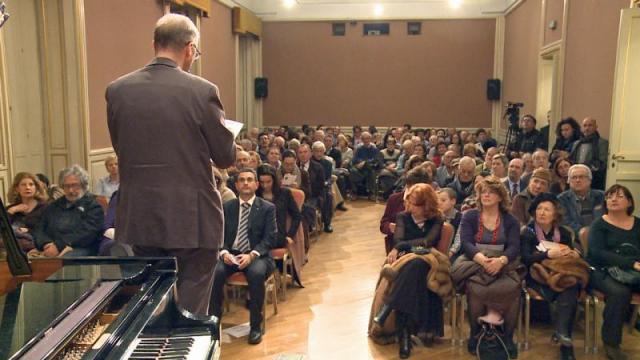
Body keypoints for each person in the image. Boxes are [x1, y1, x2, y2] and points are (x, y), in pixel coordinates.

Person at [106, 14, 236, 315]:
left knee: (151, 301)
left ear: (154, 44)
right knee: (192, 307)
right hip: (192, 217)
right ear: (190, 48)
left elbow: (120, 147)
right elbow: (225, 157)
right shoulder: (203, 91)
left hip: (141, 214)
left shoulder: (117, 90)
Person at [451, 176, 522, 358]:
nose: (486, 195)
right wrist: (483, 260)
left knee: (513, 289)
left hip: (502, 261)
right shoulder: (470, 216)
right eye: (483, 192)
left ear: (500, 197)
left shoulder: (510, 219)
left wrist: (501, 261)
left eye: (491, 192)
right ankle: (476, 335)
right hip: (474, 260)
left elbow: (514, 246)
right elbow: (466, 243)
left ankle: (507, 337)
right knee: (476, 288)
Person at [373, 183, 445, 358]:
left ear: (426, 205)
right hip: (407, 260)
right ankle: (404, 333)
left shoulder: (437, 219)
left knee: (416, 265)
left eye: (415, 204)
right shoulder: (403, 217)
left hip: (428, 259)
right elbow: (397, 240)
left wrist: (404, 245)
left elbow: (429, 241)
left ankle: (391, 311)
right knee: (412, 269)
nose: (410, 207)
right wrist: (403, 246)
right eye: (410, 202)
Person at [211, 168, 276, 345]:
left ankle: (255, 326)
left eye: (249, 180)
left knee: (255, 274)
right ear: (237, 185)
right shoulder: (227, 207)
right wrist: (223, 252)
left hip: (258, 255)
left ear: (256, 184)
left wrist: (252, 254)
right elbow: (219, 235)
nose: (245, 183)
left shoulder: (267, 208)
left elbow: (270, 237)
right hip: (231, 255)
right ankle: (213, 324)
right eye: (241, 180)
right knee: (214, 273)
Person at [520, 193, 585, 360]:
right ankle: (565, 338)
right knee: (566, 288)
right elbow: (525, 258)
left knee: (570, 286)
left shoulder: (563, 232)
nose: (542, 212)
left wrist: (572, 253)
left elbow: (569, 256)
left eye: (547, 209)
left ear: (555, 214)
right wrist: (547, 255)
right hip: (536, 276)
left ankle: (565, 341)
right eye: (539, 209)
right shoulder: (528, 232)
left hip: (560, 274)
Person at [588, 184, 640, 360]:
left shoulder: (638, 223)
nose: (613, 199)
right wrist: (632, 263)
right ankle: (611, 343)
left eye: (618, 196)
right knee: (620, 293)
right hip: (602, 270)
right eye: (609, 196)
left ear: (629, 202)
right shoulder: (599, 224)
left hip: (633, 271)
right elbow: (598, 253)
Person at [33, 165, 104, 257]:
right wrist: (45, 244)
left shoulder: (93, 207)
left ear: (83, 185)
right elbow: (40, 228)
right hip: (51, 246)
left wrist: (59, 246)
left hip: (80, 247)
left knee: (66, 259)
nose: (71, 190)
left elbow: (87, 233)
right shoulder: (54, 206)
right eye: (67, 186)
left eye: (75, 185)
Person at [256, 164, 303, 285]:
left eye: (268, 182)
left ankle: (265, 277)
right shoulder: (255, 194)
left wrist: (290, 235)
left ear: (274, 180)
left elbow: (297, 216)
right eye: (262, 182)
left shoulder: (284, 193)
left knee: (259, 247)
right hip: (257, 234)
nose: (265, 185)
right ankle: (268, 274)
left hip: (277, 235)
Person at [380, 168, 430, 254]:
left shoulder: (429, 201)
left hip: (419, 248)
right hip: (396, 246)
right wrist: (390, 227)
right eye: (409, 186)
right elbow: (383, 224)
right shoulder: (394, 199)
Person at [6, 172, 49, 252]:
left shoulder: (45, 208)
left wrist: (28, 230)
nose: (27, 187)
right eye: (23, 185)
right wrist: (12, 211)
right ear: (17, 188)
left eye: (31, 184)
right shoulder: (11, 208)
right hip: (14, 249)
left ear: (36, 187)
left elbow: (50, 230)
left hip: (38, 247)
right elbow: (3, 228)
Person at [558, 164, 605, 233]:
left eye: (581, 177)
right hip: (575, 238)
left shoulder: (602, 196)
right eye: (574, 177)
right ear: (568, 181)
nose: (577, 180)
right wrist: (586, 232)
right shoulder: (561, 199)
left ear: (589, 180)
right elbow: (565, 222)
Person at [569, 117, 609, 190]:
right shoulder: (576, 143)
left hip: (595, 179)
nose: (587, 128)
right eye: (585, 125)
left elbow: (602, 163)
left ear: (596, 127)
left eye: (590, 125)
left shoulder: (602, 143)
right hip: (576, 177)